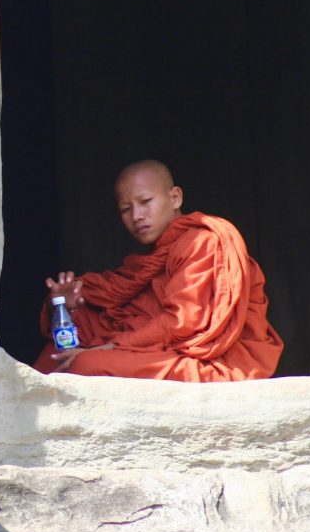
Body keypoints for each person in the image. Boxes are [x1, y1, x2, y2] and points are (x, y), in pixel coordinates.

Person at [32, 160, 283, 381]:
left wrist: (109, 348)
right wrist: (67, 306)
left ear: (175, 198)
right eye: (126, 209)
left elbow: (182, 324)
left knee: (84, 364)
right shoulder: (152, 259)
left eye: (145, 201)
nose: (137, 216)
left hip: (211, 360)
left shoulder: (202, 242)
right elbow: (118, 311)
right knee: (58, 353)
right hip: (160, 349)